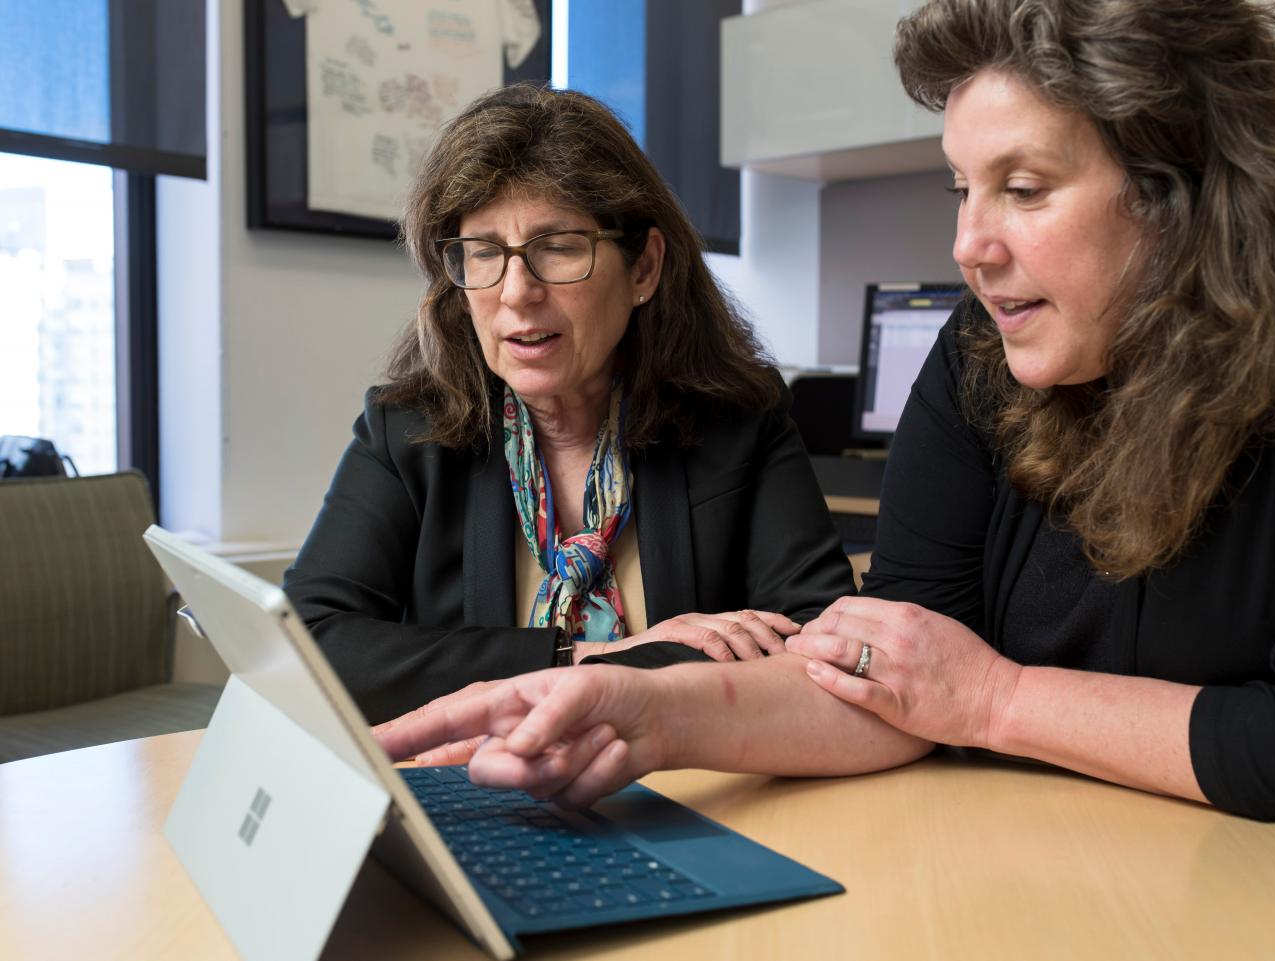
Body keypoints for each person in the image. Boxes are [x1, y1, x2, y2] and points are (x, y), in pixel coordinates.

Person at [373, 0, 1275, 831]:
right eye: (960, 192)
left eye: (1023, 188)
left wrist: (1000, 703)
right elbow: (888, 682)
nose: (970, 246)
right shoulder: (982, 354)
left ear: (1187, 189)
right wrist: (648, 714)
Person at [284, 84, 855, 726]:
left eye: (558, 248)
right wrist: (577, 659)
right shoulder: (405, 433)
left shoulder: (740, 422)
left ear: (643, 269)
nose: (516, 293)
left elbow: (823, 646)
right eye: (484, 254)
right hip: (478, 789)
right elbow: (306, 647)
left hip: (694, 791)